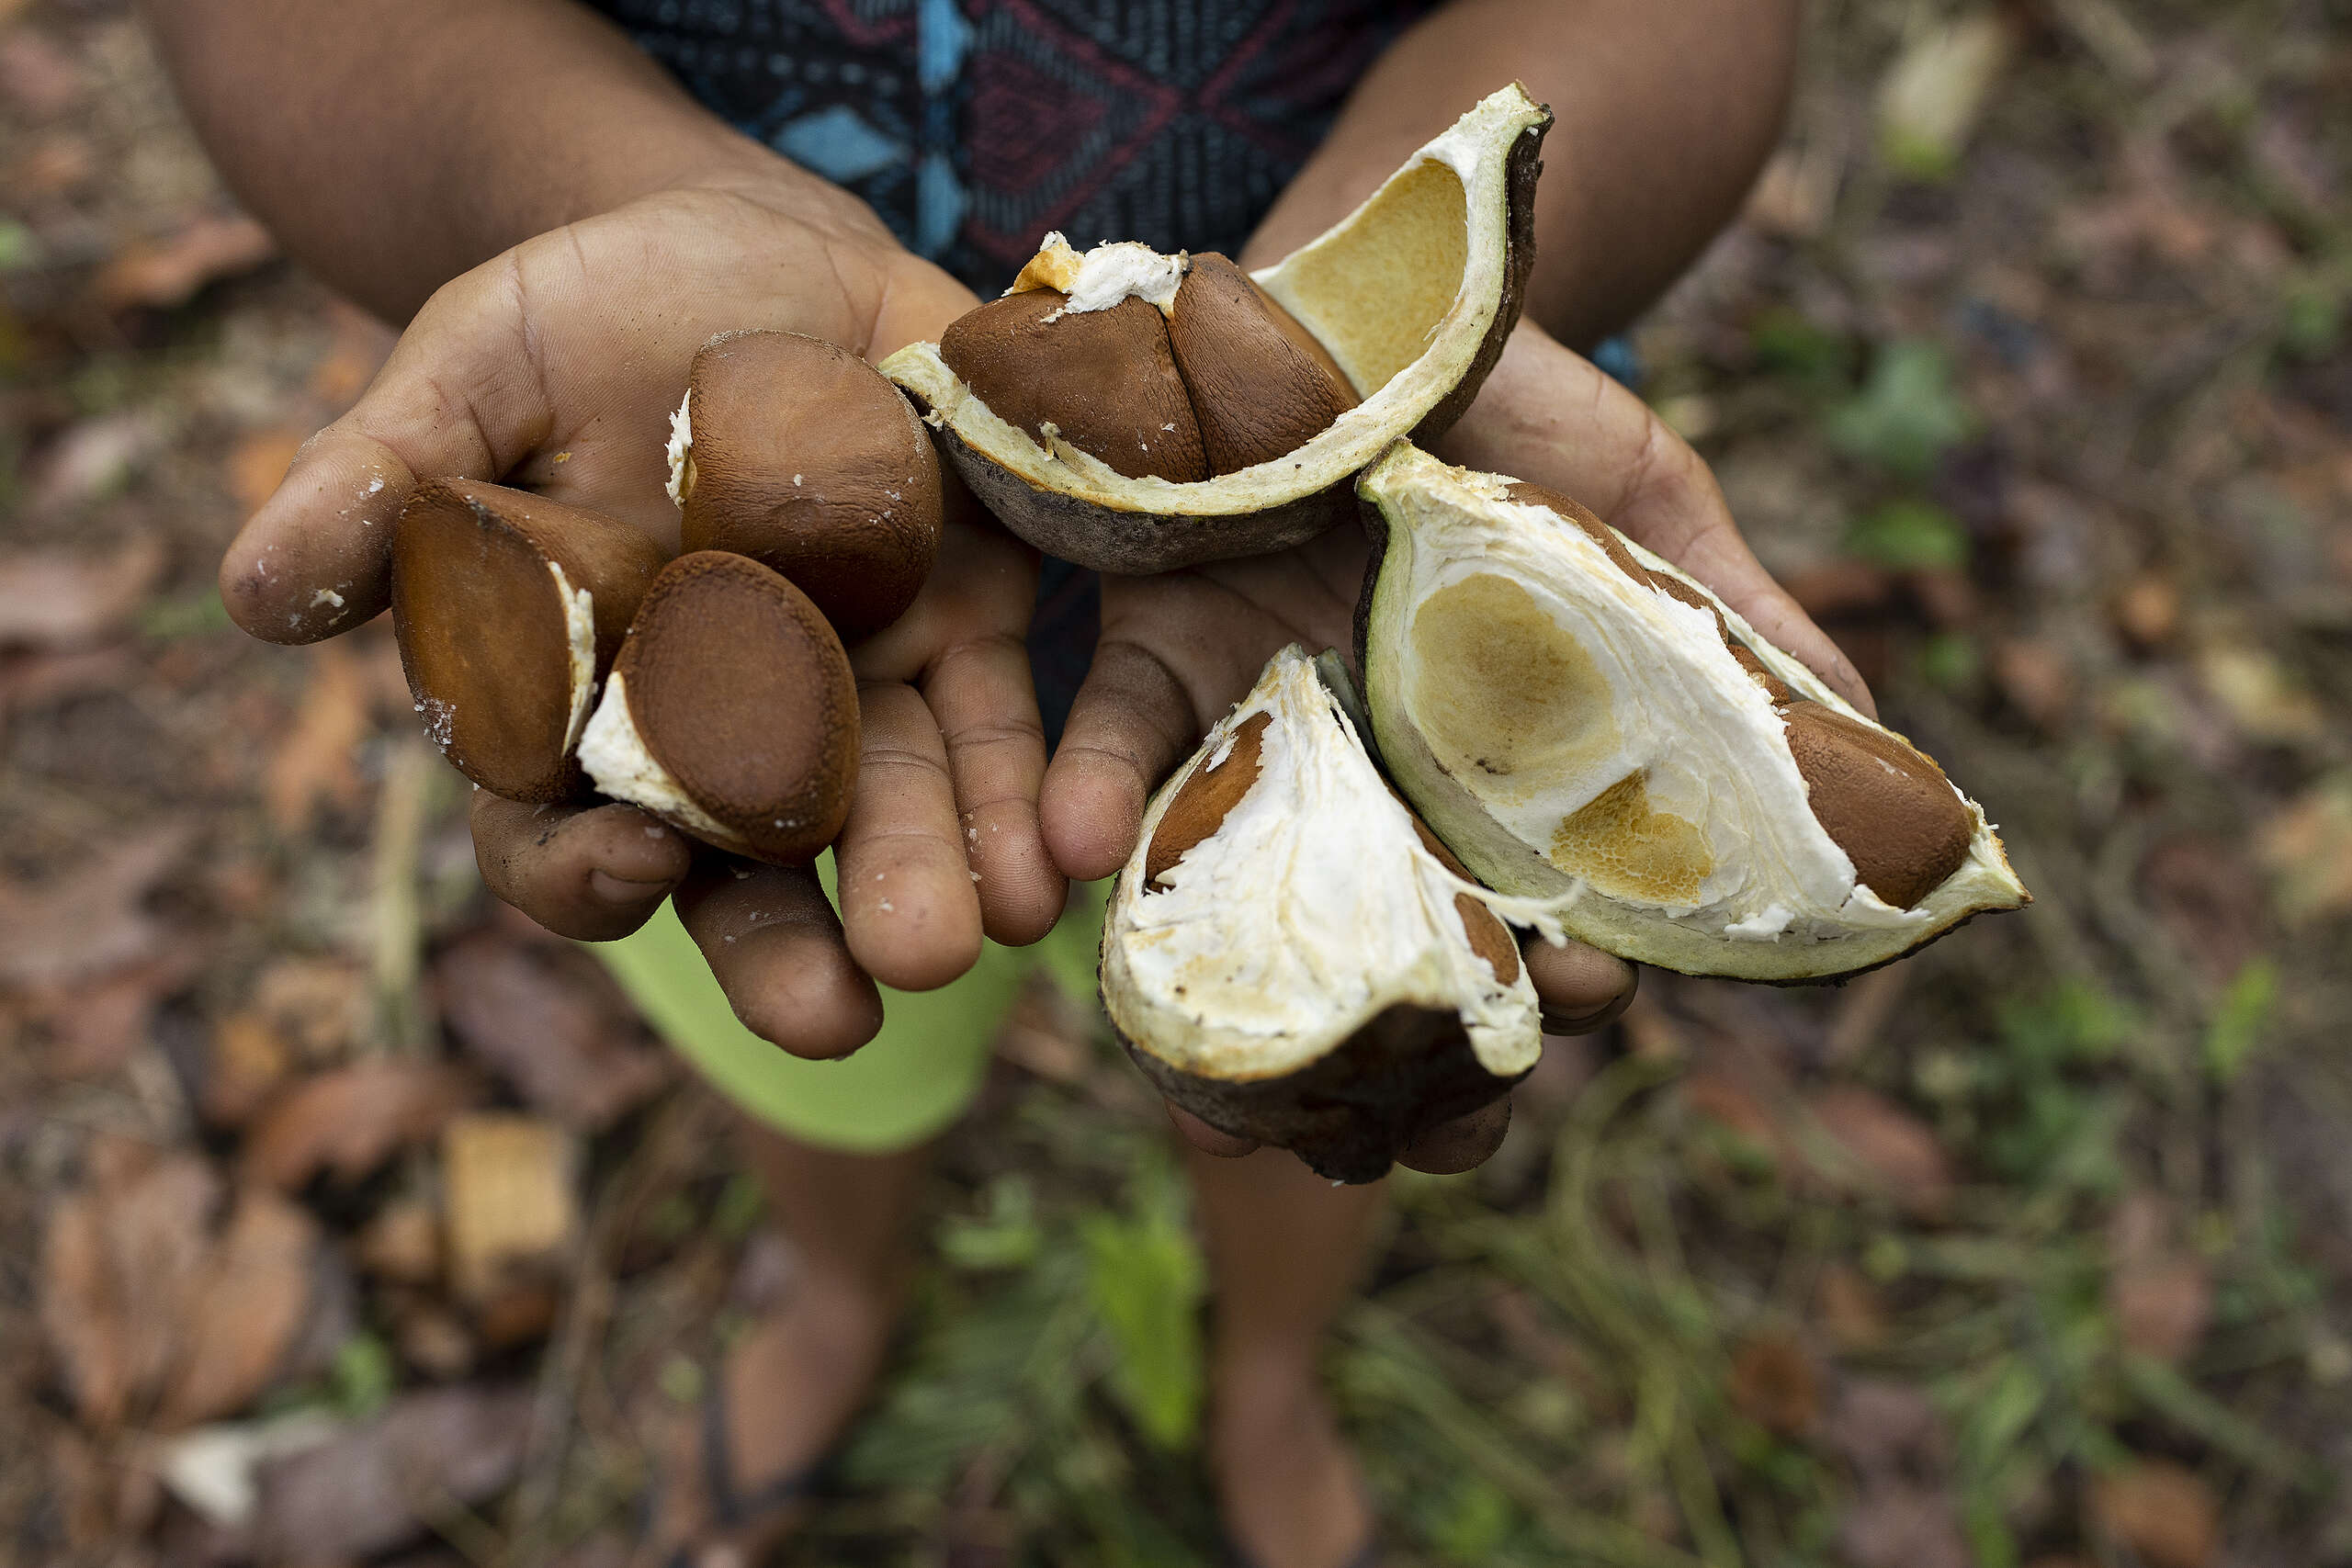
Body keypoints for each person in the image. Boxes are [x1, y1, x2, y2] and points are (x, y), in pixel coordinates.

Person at [143, 1, 1872, 1562]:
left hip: (1370, 564)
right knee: (819, 1049)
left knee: (1348, 1043)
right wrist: (623, 186)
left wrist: (1352, 313)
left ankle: (1267, 1368)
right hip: (737, 573)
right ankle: (840, 1289)